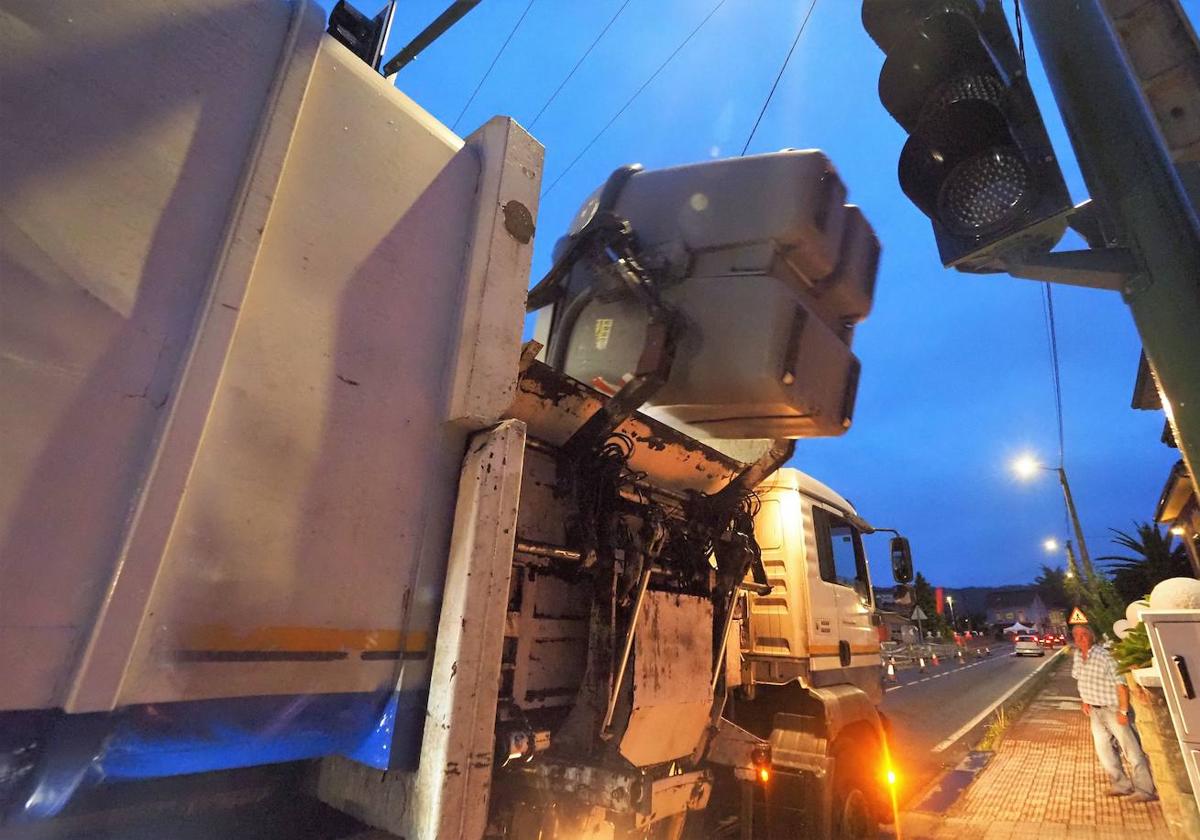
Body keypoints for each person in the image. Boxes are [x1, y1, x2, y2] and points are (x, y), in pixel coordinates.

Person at [1071, 623, 1157, 801]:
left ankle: (1145, 790)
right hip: (1095, 711)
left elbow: (1121, 684)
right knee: (1105, 751)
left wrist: (1123, 710)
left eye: (1084, 635)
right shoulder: (1078, 656)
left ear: (1091, 636)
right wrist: (1085, 701)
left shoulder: (1105, 655)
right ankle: (1121, 785)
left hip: (1113, 708)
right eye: (1077, 636)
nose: (1080, 639)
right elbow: (1081, 679)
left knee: (1131, 750)